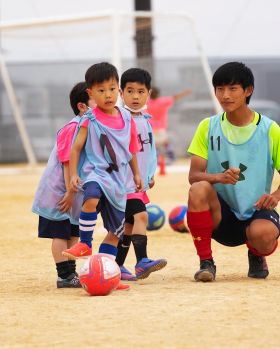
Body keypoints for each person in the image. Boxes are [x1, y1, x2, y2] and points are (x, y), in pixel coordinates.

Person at [186, 61, 280, 282]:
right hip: (221, 215)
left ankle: (256, 254)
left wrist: (275, 196)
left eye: (232, 88)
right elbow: (194, 176)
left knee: (264, 235)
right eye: (220, 89)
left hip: (257, 212)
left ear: (248, 91)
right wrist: (218, 177)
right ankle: (206, 263)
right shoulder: (207, 126)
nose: (225, 95)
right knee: (198, 189)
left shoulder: (270, 129)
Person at [62, 63, 144, 285]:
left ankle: (109, 276)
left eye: (111, 88)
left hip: (119, 181)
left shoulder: (127, 118)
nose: (107, 95)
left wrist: (137, 174)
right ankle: (85, 243)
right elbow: (76, 148)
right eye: (100, 90)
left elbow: (131, 150)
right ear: (90, 93)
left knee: (116, 233)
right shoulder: (90, 118)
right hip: (96, 173)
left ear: (118, 89)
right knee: (91, 197)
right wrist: (72, 175)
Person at [32, 82, 94, 288]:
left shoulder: (90, 127)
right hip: (59, 191)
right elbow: (67, 161)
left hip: (73, 191)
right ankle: (64, 276)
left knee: (73, 232)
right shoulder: (72, 127)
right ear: (82, 106)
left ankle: (71, 273)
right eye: (97, 97)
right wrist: (69, 191)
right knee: (60, 232)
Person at [115, 68, 167, 281]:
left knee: (128, 226)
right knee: (141, 216)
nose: (135, 96)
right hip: (125, 183)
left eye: (140, 91)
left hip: (139, 184)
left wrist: (149, 175)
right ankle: (142, 261)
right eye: (130, 91)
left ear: (148, 93)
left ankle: (117, 265)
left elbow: (149, 151)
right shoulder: (120, 119)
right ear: (121, 92)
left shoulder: (145, 118)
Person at [147, 86, 192, 169]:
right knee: (165, 142)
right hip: (161, 127)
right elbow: (174, 97)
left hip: (151, 127)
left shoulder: (147, 103)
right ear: (158, 94)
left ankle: (156, 160)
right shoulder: (162, 101)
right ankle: (171, 157)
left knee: (154, 145)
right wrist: (185, 92)